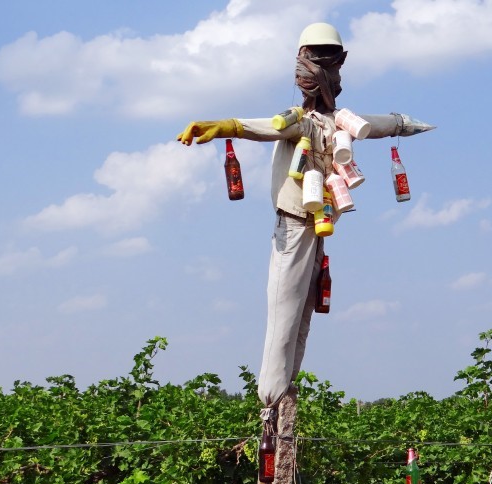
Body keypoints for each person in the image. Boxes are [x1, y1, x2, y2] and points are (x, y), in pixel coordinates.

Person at [177, 22, 433, 409]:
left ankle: (284, 396)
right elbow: (266, 128)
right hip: (293, 226)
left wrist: (403, 124)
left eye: (325, 61)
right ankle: (272, 403)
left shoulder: (340, 121)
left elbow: (379, 125)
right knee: (284, 314)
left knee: (302, 315)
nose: (316, 72)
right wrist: (228, 126)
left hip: (319, 227)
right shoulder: (296, 121)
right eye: (314, 61)